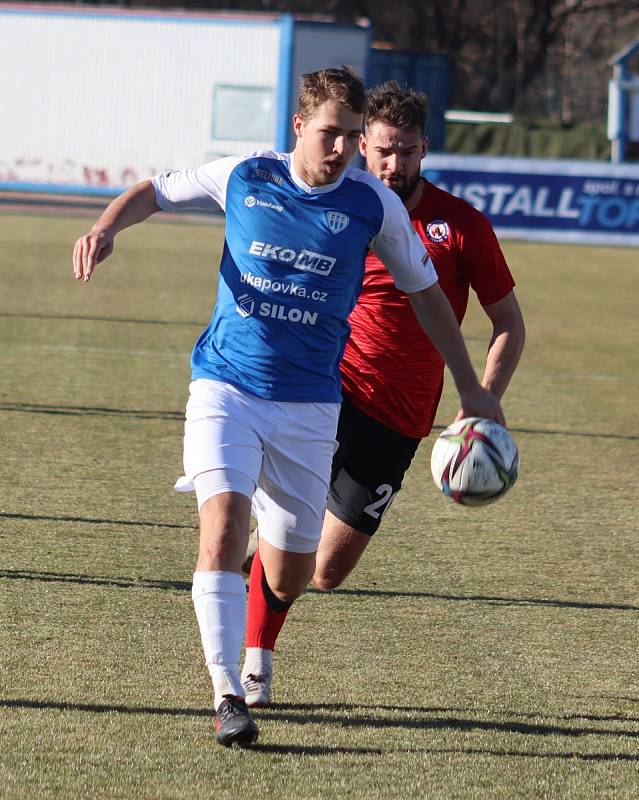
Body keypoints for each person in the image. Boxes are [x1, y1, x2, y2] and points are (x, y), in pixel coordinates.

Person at [72, 67, 504, 748]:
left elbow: (426, 296)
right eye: (331, 134)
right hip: (225, 386)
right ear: (299, 127)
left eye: (351, 136)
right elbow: (155, 190)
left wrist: (471, 388)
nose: (341, 149)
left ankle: (257, 615)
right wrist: (106, 226)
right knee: (220, 527)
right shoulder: (247, 174)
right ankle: (227, 695)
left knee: (298, 570)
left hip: (308, 408)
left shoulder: (373, 206)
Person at [240, 81, 525, 708]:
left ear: (425, 148)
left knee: (326, 572)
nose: (394, 166)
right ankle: (254, 664)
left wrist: (480, 397)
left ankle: (259, 546)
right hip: (324, 390)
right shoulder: (338, 207)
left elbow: (509, 323)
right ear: (363, 144)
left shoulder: (462, 226)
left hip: (400, 417)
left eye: (408, 152)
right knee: (291, 540)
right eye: (384, 151)